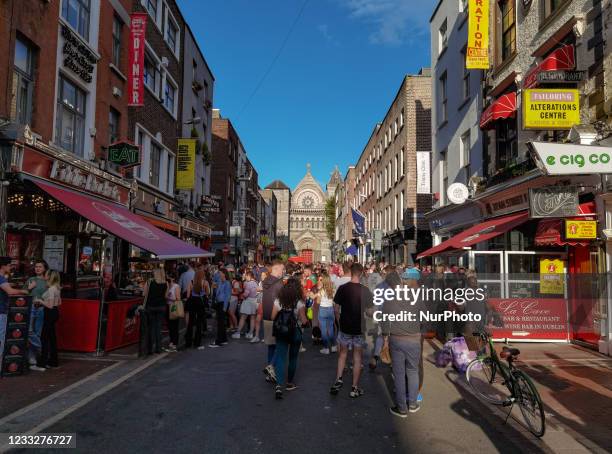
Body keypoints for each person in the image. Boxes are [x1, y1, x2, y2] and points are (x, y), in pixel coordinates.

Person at [382, 270, 424, 417]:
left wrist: (385, 339)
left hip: (396, 338)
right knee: (412, 371)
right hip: (413, 339)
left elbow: (385, 321)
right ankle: (412, 404)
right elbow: (425, 317)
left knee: (399, 374)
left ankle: (401, 408)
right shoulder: (415, 295)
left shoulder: (389, 297)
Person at [330, 263, 373, 398]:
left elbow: (336, 309)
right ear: (360, 274)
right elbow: (370, 312)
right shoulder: (365, 290)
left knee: (342, 354)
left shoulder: (343, 288)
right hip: (358, 328)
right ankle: (354, 388)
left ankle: (338, 380)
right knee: (357, 357)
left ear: (352, 272)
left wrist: (339, 321)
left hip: (345, 327)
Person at [271, 278, 308, 399]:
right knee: (293, 358)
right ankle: (289, 383)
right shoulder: (299, 302)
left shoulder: (278, 301)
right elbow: (303, 321)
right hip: (295, 333)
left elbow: (272, 317)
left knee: (281, 357)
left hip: (281, 332)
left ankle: (278, 385)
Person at [0, 257, 30, 369]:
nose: (11, 267)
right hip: (1, 311)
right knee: (2, 338)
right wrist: (23, 291)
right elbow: (10, 291)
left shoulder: (3, 278)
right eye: (9, 265)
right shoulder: (1, 278)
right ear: (3, 266)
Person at [261, 260, 285, 383]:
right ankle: (271, 367)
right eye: (282, 270)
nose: (283, 272)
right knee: (280, 346)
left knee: (271, 346)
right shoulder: (279, 284)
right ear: (276, 270)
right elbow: (282, 302)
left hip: (266, 316)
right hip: (276, 317)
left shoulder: (265, 281)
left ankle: (270, 372)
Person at [35, 270, 62, 369]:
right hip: (55, 312)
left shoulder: (51, 289)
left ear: (49, 277)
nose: (44, 276)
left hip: (49, 313)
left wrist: (40, 301)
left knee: (44, 338)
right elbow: (59, 303)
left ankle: (43, 362)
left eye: (46, 274)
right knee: (52, 337)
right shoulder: (57, 288)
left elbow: (50, 306)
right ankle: (53, 361)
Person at [26, 261, 48, 371]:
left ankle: (32, 361)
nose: (37, 268)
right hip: (31, 309)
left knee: (37, 333)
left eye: (40, 267)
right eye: (36, 267)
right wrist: (29, 288)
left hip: (41, 309)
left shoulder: (47, 281)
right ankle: (42, 349)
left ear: (44, 269)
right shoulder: (31, 280)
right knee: (29, 331)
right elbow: (23, 294)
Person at [143, 267, 168, 355]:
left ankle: (150, 349)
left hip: (151, 306)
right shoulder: (165, 283)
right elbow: (166, 296)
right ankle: (158, 348)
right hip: (161, 306)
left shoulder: (149, 282)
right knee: (158, 328)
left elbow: (144, 293)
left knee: (151, 328)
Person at [185, 267, 208, 350]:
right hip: (200, 302)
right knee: (199, 323)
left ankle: (188, 342)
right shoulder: (204, 283)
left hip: (192, 302)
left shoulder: (191, 282)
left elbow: (188, 295)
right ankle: (197, 343)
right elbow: (207, 293)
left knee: (190, 322)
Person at [315, 273, 337, 354]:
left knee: (323, 329)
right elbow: (334, 301)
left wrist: (317, 295)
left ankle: (326, 348)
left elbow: (318, 301)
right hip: (330, 309)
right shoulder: (333, 289)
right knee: (331, 328)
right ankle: (334, 346)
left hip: (323, 309)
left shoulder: (321, 290)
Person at [233, 271, 258, 339]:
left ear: (249, 276)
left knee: (243, 317)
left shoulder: (249, 284)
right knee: (252, 318)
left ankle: (238, 333)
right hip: (254, 301)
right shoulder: (256, 283)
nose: (245, 277)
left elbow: (246, 294)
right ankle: (250, 333)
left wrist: (241, 296)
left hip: (248, 301)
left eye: (246, 276)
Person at [210, 270, 230, 347]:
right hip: (219, 303)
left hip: (223, 304)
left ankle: (219, 341)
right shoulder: (220, 282)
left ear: (224, 274)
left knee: (220, 323)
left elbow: (227, 296)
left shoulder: (227, 283)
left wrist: (225, 307)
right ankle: (224, 339)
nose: (219, 274)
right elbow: (215, 290)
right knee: (221, 322)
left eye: (220, 273)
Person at [251, 269, 268, 343]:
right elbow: (258, 290)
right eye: (261, 275)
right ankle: (256, 336)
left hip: (267, 303)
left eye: (264, 275)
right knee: (258, 320)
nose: (262, 276)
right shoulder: (261, 282)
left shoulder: (268, 283)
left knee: (266, 321)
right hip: (260, 302)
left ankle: (266, 336)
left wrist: (260, 289)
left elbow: (263, 289)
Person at [165, 272, 181, 352]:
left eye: (169, 277)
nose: (167, 278)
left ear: (173, 278)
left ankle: (174, 343)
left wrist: (169, 298)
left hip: (173, 307)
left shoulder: (176, 286)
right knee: (170, 326)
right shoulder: (168, 286)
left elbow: (178, 298)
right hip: (168, 307)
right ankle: (172, 342)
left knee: (174, 326)